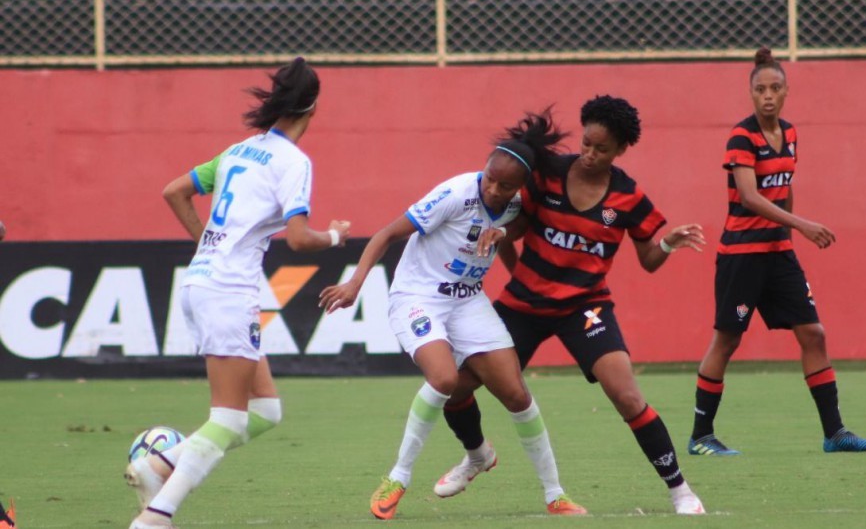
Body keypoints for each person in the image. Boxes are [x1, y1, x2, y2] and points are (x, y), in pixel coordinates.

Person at [434, 95, 707, 515]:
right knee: (455, 387)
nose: (590, 154)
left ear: (620, 150)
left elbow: (650, 261)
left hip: (585, 308)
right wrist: (509, 251)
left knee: (628, 397)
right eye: (586, 143)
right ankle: (476, 456)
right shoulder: (547, 175)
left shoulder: (629, 198)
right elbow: (514, 226)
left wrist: (668, 243)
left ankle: (680, 491)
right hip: (523, 305)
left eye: (602, 149)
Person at [318, 109, 588, 520]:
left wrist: (516, 264)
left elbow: (514, 229)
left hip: (467, 301)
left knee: (517, 394)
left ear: (520, 187)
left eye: (505, 185)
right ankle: (398, 477)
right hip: (418, 297)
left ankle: (555, 495)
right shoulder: (456, 194)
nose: (494, 189)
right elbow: (386, 234)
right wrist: (356, 283)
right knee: (444, 378)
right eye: (490, 178)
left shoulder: (516, 205)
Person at [126, 57, 352, 529]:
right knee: (227, 418)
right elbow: (298, 238)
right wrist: (334, 236)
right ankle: (155, 517)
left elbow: (174, 191)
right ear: (313, 107)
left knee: (265, 410)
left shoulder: (238, 151)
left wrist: (210, 244)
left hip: (203, 281)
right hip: (229, 290)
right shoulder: (293, 162)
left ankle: (159, 465)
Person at [687, 47, 866, 456]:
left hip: (777, 253)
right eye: (761, 89)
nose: (768, 95)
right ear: (751, 94)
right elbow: (749, 196)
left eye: (776, 87)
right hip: (741, 256)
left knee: (813, 333)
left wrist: (788, 235)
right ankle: (701, 435)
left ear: (787, 90)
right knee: (726, 341)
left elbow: (784, 187)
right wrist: (803, 225)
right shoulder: (742, 137)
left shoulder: (790, 134)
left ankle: (835, 434)